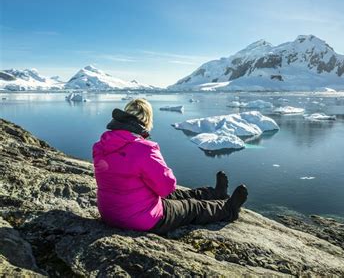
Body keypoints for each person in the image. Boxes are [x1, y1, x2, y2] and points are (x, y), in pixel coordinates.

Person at [92, 98, 248, 235]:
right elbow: (166, 188)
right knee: (191, 207)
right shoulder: (144, 149)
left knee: (176, 196)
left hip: (110, 213)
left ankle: (214, 193)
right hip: (140, 219)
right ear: (146, 121)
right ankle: (230, 210)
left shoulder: (100, 146)